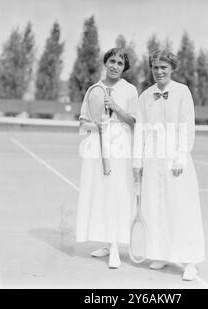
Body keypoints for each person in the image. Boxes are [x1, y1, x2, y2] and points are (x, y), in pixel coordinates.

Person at [132, 49, 205, 281]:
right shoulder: (145, 96)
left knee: (182, 209)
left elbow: (187, 126)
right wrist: (137, 162)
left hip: (176, 160)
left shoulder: (183, 92)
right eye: (155, 67)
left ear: (172, 68)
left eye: (163, 67)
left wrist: (180, 158)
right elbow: (140, 131)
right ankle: (161, 254)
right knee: (155, 206)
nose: (159, 71)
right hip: (152, 161)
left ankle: (189, 260)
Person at [76, 48, 138, 269]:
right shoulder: (93, 89)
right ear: (105, 63)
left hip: (120, 149)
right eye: (112, 61)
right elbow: (83, 121)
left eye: (120, 63)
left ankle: (115, 247)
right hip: (97, 149)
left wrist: (116, 108)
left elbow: (133, 122)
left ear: (124, 67)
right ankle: (107, 241)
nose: (115, 66)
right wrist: (98, 127)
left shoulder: (130, 90)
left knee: (116, 194)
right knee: (101, 193)